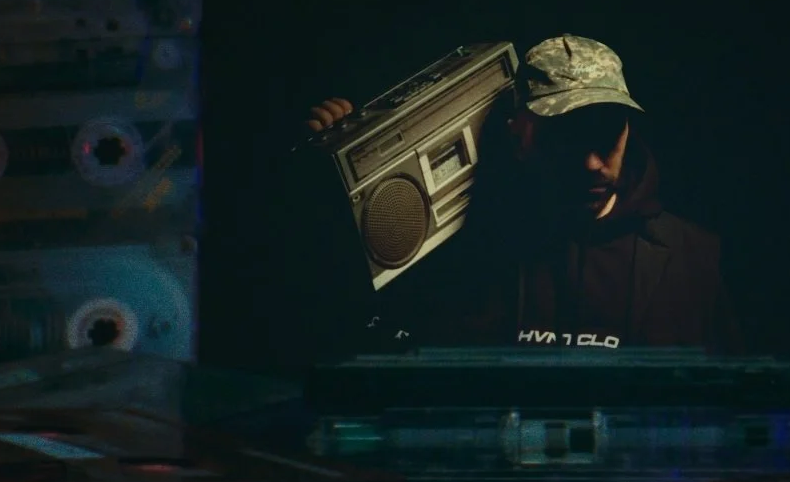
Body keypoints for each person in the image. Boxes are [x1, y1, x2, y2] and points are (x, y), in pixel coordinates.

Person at [306, 35, 743, 354]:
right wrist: (323, 192)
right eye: (568, 137)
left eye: (607, 134)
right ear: (522, 135)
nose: (592, 163)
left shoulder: (692, 257)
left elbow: (732, 404)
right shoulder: (461, 251)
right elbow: (359, 345)